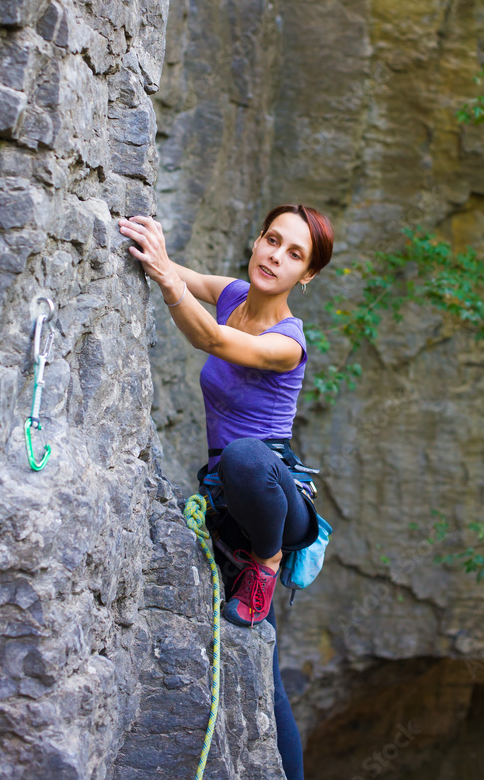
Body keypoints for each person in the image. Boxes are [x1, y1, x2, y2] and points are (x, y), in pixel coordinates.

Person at [118, 203, 334, 780]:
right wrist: (152, 246)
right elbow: (183, 274)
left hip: (277, 503)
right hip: (230, 506)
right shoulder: (235, 293)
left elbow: (212, 340)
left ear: (306, 276)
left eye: (295, 254)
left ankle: (265, 567)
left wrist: (166, 279)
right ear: (258, 240)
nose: (275, 256)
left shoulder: (288, 342)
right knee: (263, 660)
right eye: (272, 240)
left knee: (244, 456)